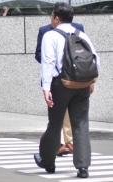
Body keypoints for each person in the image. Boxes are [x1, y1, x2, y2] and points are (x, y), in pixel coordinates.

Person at [34, 2, 99, 178]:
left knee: (55, 123)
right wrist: (91, 82)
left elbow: (48, 62)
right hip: (82, 84)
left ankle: (48, 161)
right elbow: (94, 58)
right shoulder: (81, 34)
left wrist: (46, 88)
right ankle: (83, 166)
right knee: (81, 124)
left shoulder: (50, 35)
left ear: (56, 17)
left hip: (60, 84)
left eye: (52, 16)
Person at [35, 19, 85, 157]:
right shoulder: (45, 31)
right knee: (57, 116)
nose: (53, 19)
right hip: (56, 78)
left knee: (71, 114)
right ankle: (60, 144)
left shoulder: (78, 29)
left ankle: (66, 142)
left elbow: (85, 54)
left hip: (75, 78)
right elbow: (39, 55)